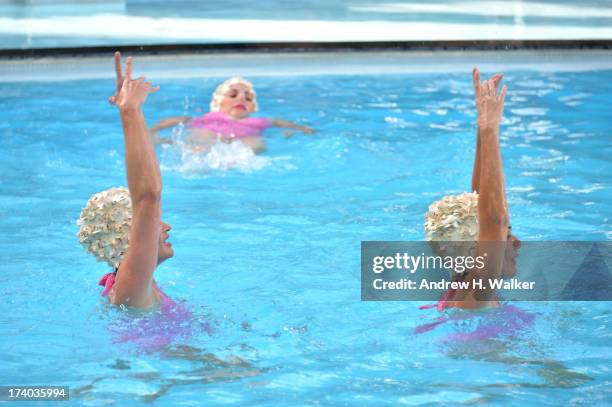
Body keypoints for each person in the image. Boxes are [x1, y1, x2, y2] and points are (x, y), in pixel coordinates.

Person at [77, 52, 173, 309]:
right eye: (153, 221)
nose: (167, 226)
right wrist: (130, 110)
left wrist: (132, 113)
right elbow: (148, 197)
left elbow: (151, 197)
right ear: (128, 236)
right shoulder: (131, 288)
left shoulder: (135, 284)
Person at [422, 67, 521, 310]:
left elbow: (481, 199)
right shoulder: (479, 291)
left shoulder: (463, 284)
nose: (517, 242)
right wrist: (490, 129)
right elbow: (494, 219)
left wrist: (482, 126)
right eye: (506, 236)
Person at [149, 77, 315, 154]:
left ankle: (230, 160)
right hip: (209, 137)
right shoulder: (209, 118)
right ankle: (198, 153)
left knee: (256, 143)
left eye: (248, 98)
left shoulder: (257, 121)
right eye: (233, 95)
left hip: (240, 142)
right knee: (204, 135)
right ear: (218, 103)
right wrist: (154, 130)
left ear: (253, 108)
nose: (241, 98)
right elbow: (180, 120)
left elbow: (279, 122)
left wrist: (299, 129)